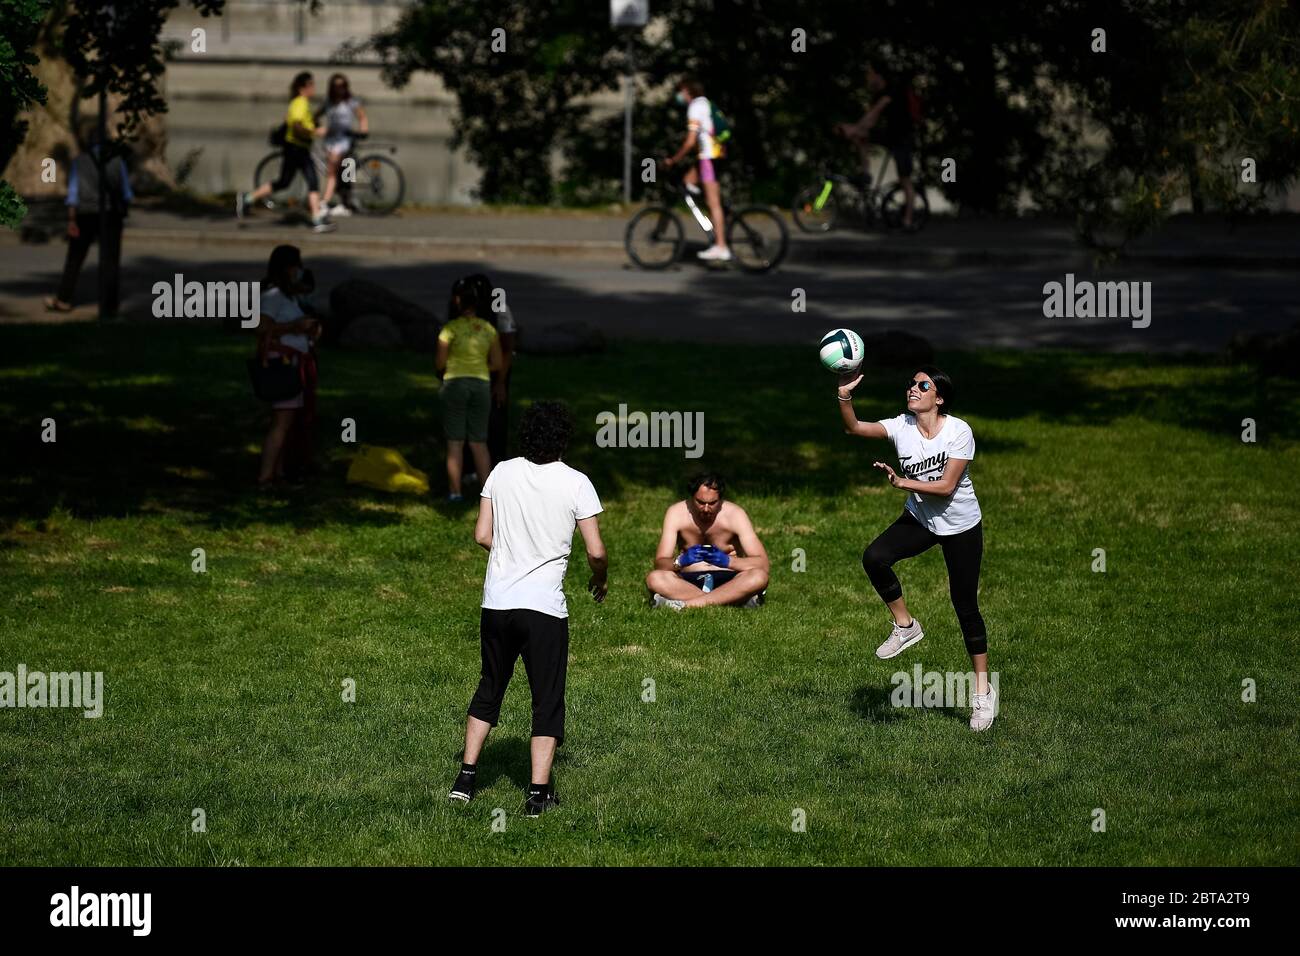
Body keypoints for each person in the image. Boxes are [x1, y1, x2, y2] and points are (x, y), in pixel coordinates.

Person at [448, 400, 608, 817]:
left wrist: (509, 551)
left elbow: (482, 534)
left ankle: (466, 777)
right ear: (563, 439)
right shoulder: (576, 482)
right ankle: (538, 795)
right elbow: (596, 550)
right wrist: (599, 576)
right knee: (547, 698)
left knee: (490, 687)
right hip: (543, 609)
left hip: (498, 602)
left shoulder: (501, 471)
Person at [836, 366, 996, 731]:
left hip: (961, 527)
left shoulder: (958, 431)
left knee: (965, 605)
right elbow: (855, 427)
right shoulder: (901, 427)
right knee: (874, 557)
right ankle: (905, 625)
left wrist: (901, 481)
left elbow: (946, 487)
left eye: (922, 385)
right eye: (910, 383)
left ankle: (983, 693)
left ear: (938, 398)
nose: (913, 388)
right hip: (922, 520)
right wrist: (845, 394)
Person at [44, 117, 133, 315]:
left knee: (75, 258)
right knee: (110, 261)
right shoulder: (118, 162)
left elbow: (73, 195)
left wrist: (72, 220)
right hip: (111, 215)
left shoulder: (80, 162)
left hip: (85, 214)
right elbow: (126, 193)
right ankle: (109, 306)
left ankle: (64, 299)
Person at [645, 472, 769, 609]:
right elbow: (660, 563)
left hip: (730, 579)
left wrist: (728, 561)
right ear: (692, 498)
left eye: (712, 503)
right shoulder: (676, 513)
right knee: (654, 578)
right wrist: (680, 561)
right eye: (700, 502)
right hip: (688, 581)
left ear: (721, 500)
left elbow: (762, 564)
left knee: (759, 577)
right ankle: (734, 600)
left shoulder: (735, 514)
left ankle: (684, 606)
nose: (706, 509)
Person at [253, 245, 322, 487]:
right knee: (281, 423)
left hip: (294, 362)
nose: (299, 271)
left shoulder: (288, 296)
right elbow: (261, 327)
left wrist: (308, 331)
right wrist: (295, 327)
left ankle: (277, 472)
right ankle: (266, 476)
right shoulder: (273, 296)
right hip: (283, 364)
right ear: (288, 268)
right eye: (296, 266)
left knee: (286, 422)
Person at [236, 72, 335, 234]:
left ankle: (247, 198)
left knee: (285, 182)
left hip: (298, 148)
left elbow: (297, 121)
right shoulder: (300, 103)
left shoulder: (301, 103)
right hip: (296, 149)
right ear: (303, 88)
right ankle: (317, 219)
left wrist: (313, 126)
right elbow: (296, 126)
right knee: (310, 182)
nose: (314, 89)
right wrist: (316, 132)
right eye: (311, 85)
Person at [437, 277, 503, 502]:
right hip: (481, 384)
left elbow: (439, 363)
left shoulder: (449, 330)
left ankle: (455, 492)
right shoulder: (488, 330)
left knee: (455, 441)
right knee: (479, 441)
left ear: (457, 301)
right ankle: (488, 494)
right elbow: (497, 363)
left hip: (455, 383)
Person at [834, 61, 919, 230]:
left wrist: (854, 128)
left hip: (903, 138)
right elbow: (870, 122)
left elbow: (874, 113)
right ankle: (865, 175)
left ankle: (908, 220)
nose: (867, 77)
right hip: (889, 135)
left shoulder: (892, 90)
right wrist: (856, 130)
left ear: (878, 76)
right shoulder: (877, 94)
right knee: (860, 137)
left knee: (905, 181)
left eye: (869, 73)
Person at [663, 75, 731, 262]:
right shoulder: (705, 103)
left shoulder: (694, 107)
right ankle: (716, 226)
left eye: (680, 91)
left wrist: (674, 159)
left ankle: (721, 246)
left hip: (709, 157)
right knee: (688, 183)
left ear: (687, 91)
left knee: (713, 203)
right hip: (714, 155)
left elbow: (691, 141)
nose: (679, 95)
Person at [460, 272, 518, 475]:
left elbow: (507, 348)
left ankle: (496, 467)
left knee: (495, 419)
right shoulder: (463, 306)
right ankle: (468, 468)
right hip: (469, 369)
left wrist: (500, 382)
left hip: (496, 369)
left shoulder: (500, 309)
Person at [315, 73, 368, 217]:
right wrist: (315, 126)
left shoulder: (351, 101)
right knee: (341, 172)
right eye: (337, 86)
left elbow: (362, 116)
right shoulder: (329, 101)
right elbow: (316, 114)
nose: (340, 89)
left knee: (337, 170)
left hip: (344, 139)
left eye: (343, 86)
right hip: (331, 139)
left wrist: (363, 131)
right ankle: (345, 203)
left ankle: (326, 202)